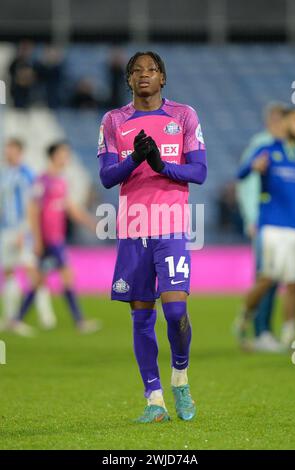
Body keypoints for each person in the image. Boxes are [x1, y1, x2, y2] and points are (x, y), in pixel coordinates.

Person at [98, 51, 207, 423]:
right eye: (136, 70)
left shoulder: (184, 116)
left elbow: (200, 172)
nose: (144, 75)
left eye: (152, 69)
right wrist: (135, 160)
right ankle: (154, 399)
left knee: (176, 311)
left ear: (163, 78)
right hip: (133, 230)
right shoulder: (113, 120)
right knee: (141, 318)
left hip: (171, 227)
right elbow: (107, 177)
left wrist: (162, 166)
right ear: (128, 79)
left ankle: (180, 377)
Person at [12, 141, 101, 334]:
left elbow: (71, 209)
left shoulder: (61, 181)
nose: (66, 157)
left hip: (55, 239)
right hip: (48, 240)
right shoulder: (42, 181)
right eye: (63, 153)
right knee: (66, 277)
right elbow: (33, 211)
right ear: (54, 155)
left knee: (38, 280)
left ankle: (17, 319)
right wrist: (36, 240)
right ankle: (80, 321)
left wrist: (92, 223)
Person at [236, 108, 295, 349]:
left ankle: (288, 335)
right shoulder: (267, 149)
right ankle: (245, 316)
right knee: (268, 278)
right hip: (272, 226)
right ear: (285, 123)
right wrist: (254, 166)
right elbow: (240, 174)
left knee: (293, 282)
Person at [0, 138, 56, 335]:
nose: (8, 153)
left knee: (33, 272)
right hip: (6, 230)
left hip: (22, 230)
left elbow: (33, 206)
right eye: (7, 150)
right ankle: (11, 318)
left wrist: (25, 231)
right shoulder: (5, 174)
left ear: (19, 152)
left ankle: (46, 317)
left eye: (11, 150)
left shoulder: (27, 174)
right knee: (8, 273)